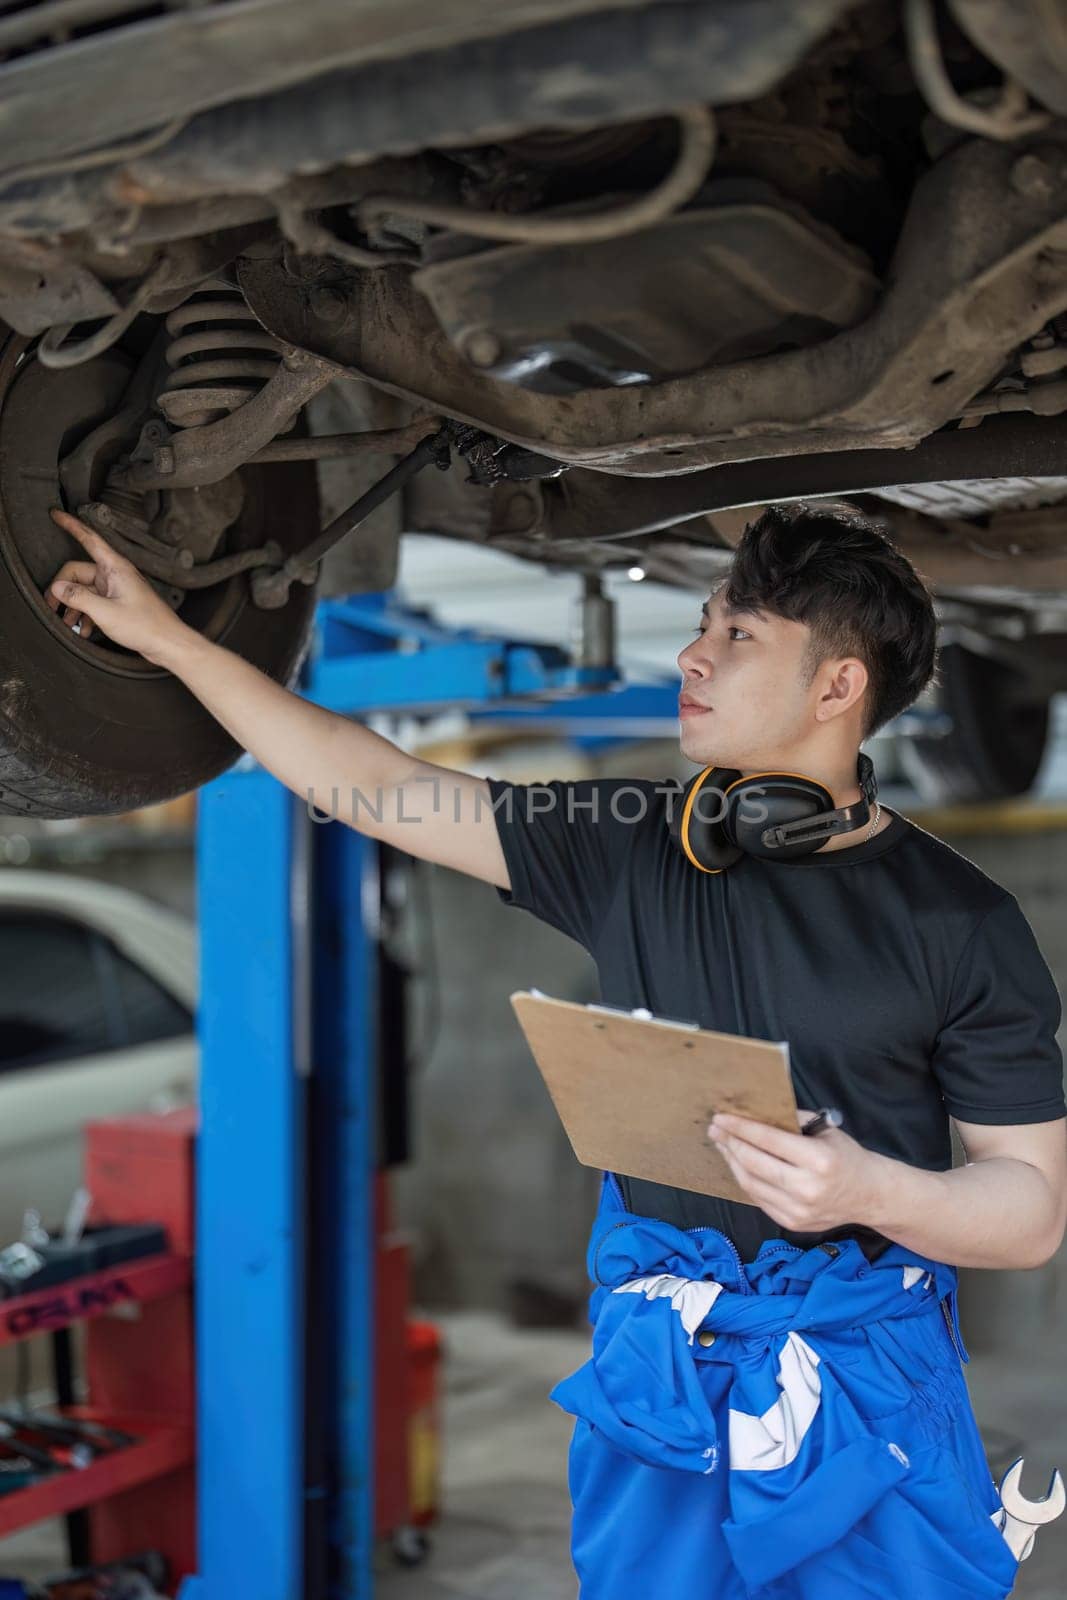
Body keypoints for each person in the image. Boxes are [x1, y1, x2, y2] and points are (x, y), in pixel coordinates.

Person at [46, 502, 1067, 1597]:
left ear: (835, 689)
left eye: (738, 635)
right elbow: (377, 788)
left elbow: (1029, 1212)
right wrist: (168, 640)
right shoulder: (636, 845)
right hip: (661, 1378)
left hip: (866, 1395)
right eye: (706, 621)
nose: (691, 652)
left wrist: (865, 1186)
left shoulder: (958, 922)